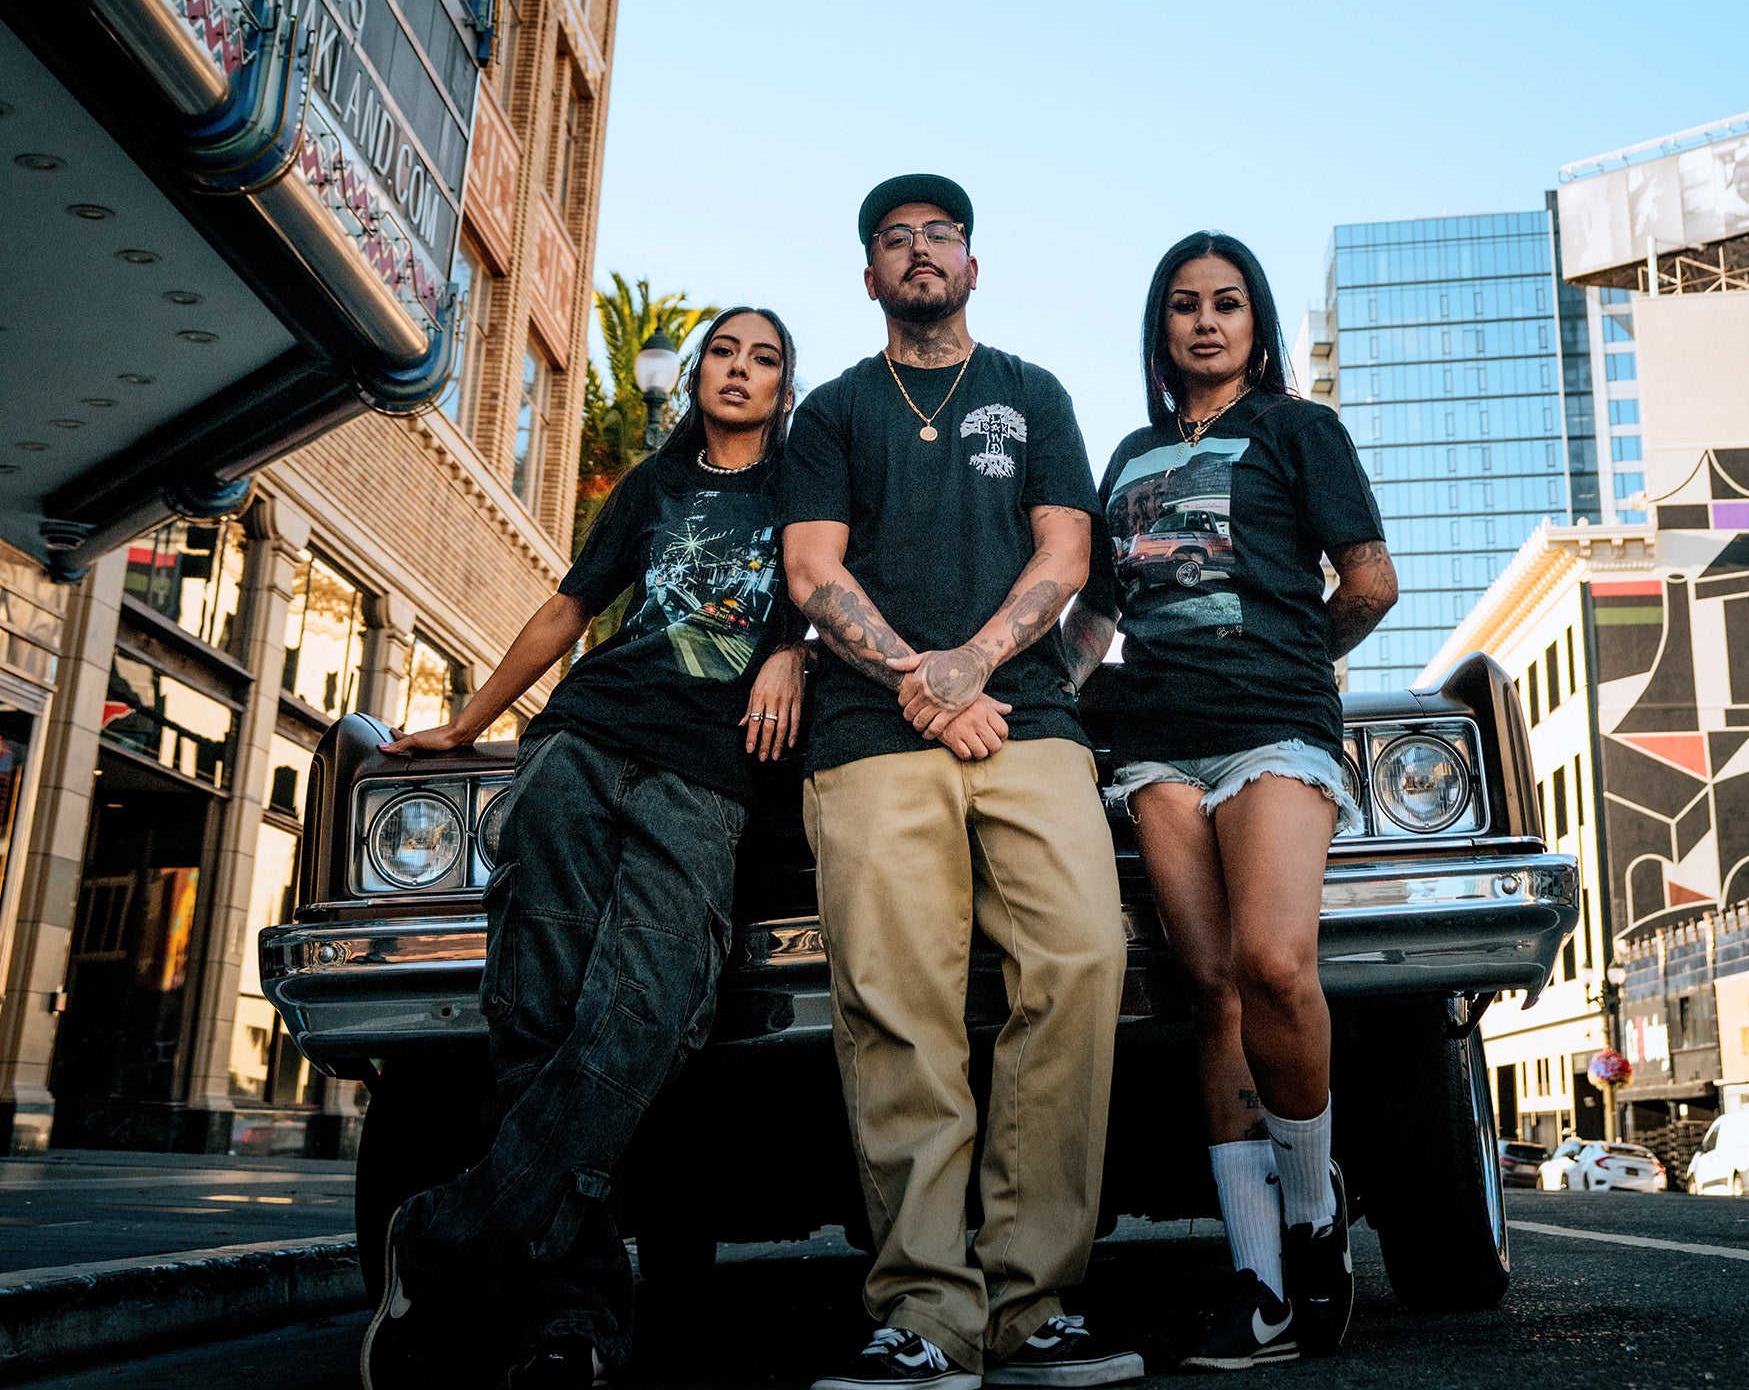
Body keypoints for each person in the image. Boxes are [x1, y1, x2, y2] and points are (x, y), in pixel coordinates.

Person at [361, 309, 809, 1390]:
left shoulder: (805, 482)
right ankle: (572, 1325)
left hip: (704, 773)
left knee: (649, 1008)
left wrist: (791, 648)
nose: (739, 370)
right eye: (723, 351)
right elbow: (568, 609)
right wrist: (470, 724)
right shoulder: (651, 486)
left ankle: (444, 1234)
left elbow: (827, 586)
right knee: (535, 1017)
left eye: (765, 357)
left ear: (786, 383)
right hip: (580, 745)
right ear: (696, 371)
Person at [782, 174, 1142, 1390]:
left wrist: (973, 663)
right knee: (900, 1002)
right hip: (871, 738)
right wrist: (919, 684)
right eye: (896, 237)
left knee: (1083, 958)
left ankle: (1030, 1302)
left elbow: (1066, 550)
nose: (920, 250)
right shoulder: (832, 409)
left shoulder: (1030, 391)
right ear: (869, 273)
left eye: (942, 234)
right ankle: (928, 1313)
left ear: (973, 267)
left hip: (1026, 719)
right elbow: (812, 568)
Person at [1064, 232, 1397, 1370]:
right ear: (1158, 327)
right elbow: (1095, 619)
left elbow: (1367, 579)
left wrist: (1297, 659)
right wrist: (1044, 696)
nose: (1205, 321)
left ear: (1254, 322)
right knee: (1204, 992)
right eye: (1183, 305)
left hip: (1271, 727)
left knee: (1271, 965)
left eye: (1227, 302)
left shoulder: (1300, 431)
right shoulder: (1127, 453)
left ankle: (1313, 1216)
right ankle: (1257, 1285)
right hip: (1155, 744)